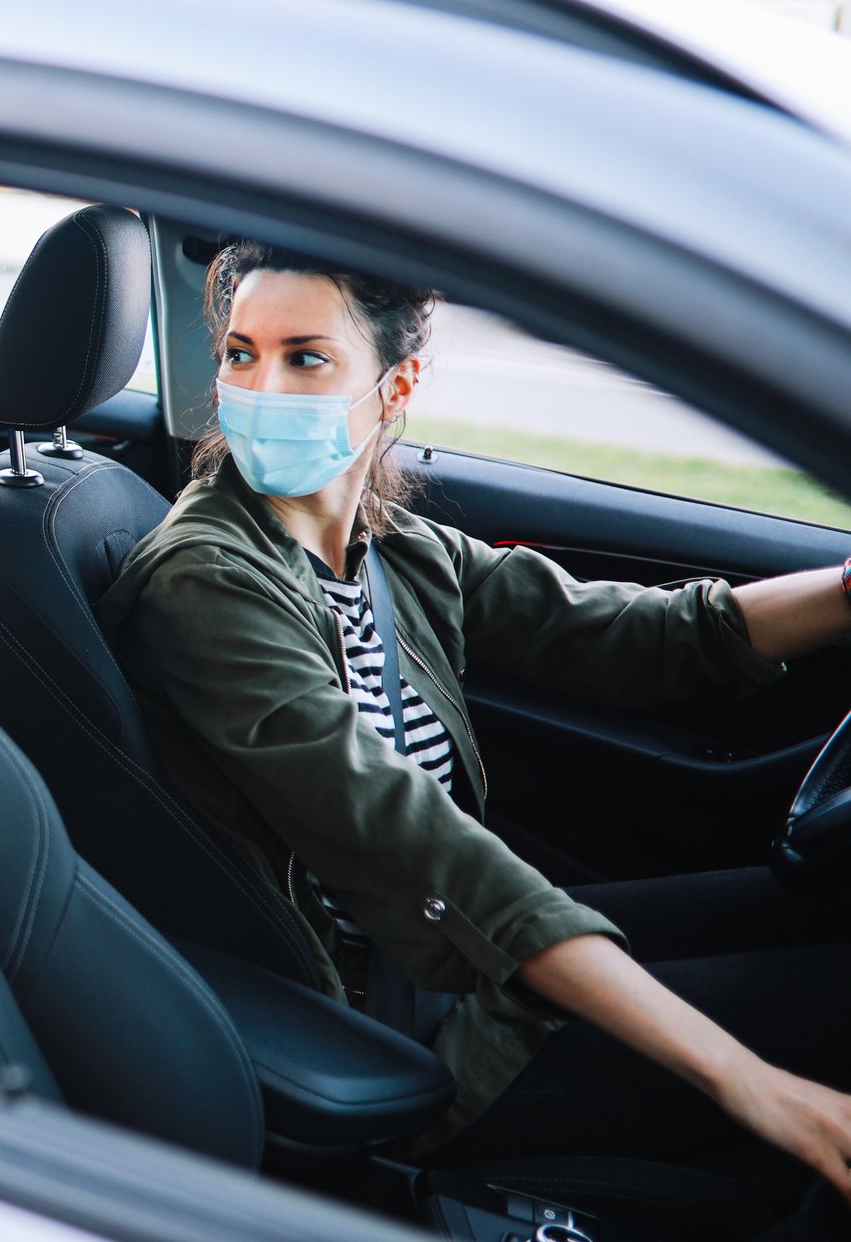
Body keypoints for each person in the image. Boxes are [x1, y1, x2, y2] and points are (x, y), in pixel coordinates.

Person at [94, 241, 851, 1204]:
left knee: (812, 918)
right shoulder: (206, 581)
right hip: (402, 1021)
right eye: (240, 354)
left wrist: (844, 590)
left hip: (457, 955)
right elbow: (417, 843)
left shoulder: (386, 544)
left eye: (305, 357)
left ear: (395, 384)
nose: (259, 387)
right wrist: (749, 1082)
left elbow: (633, 636)